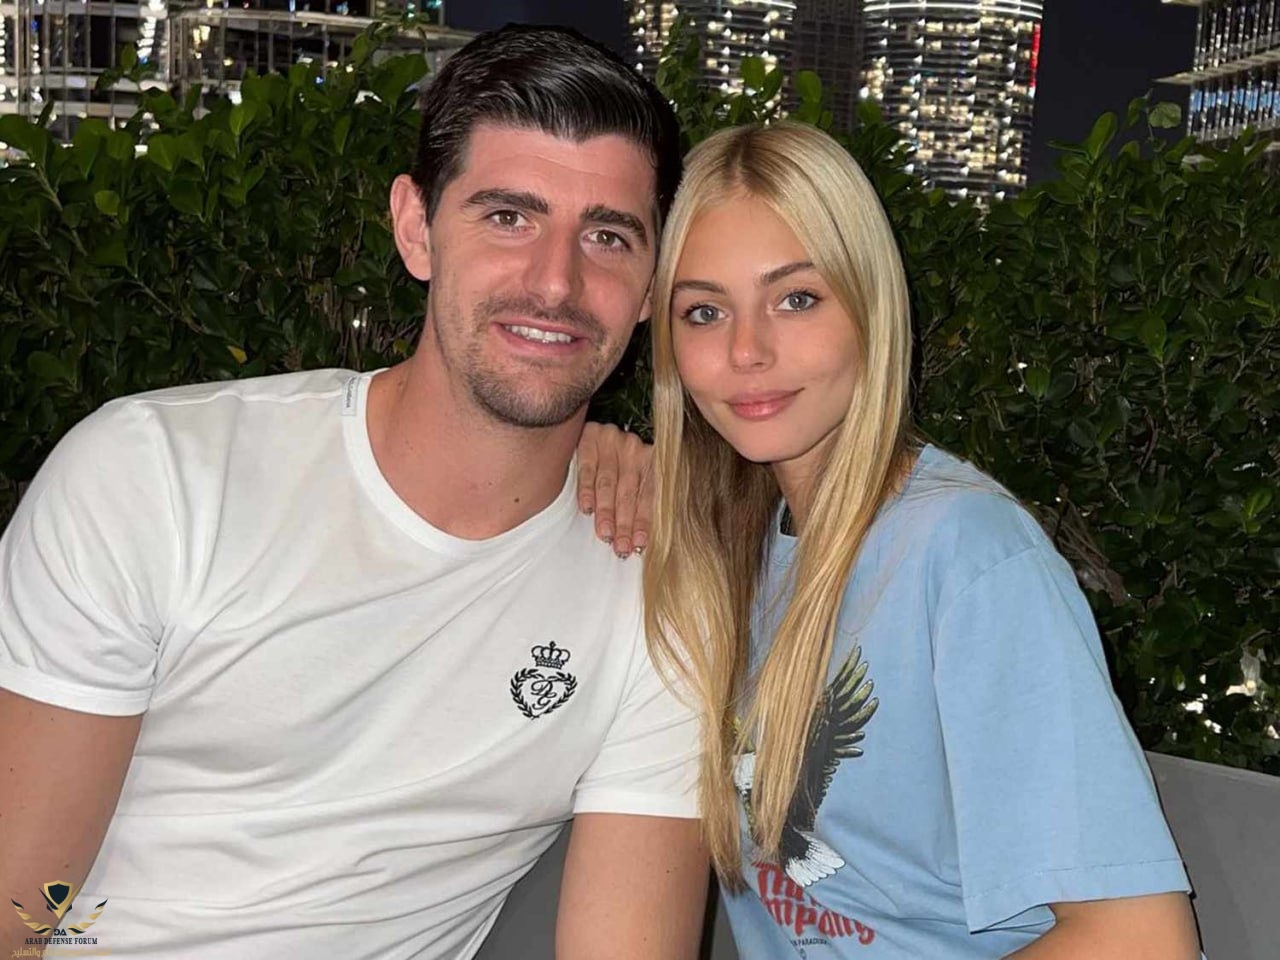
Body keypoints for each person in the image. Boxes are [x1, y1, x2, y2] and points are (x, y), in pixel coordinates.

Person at [0, 26, 705, 959]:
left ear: (652, 285)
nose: (555, 282)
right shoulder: (157, 477)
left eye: (608, 237)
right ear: (416, 228)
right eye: (508, 217)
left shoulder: (660, 594)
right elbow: (17, 908)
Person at [642, 121, 1201, 959]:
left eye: (798, 298)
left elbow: (1141, 941)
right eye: (704, 311)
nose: (746, 350)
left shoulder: (968, 554)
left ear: (871, 306)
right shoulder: (722, 548)